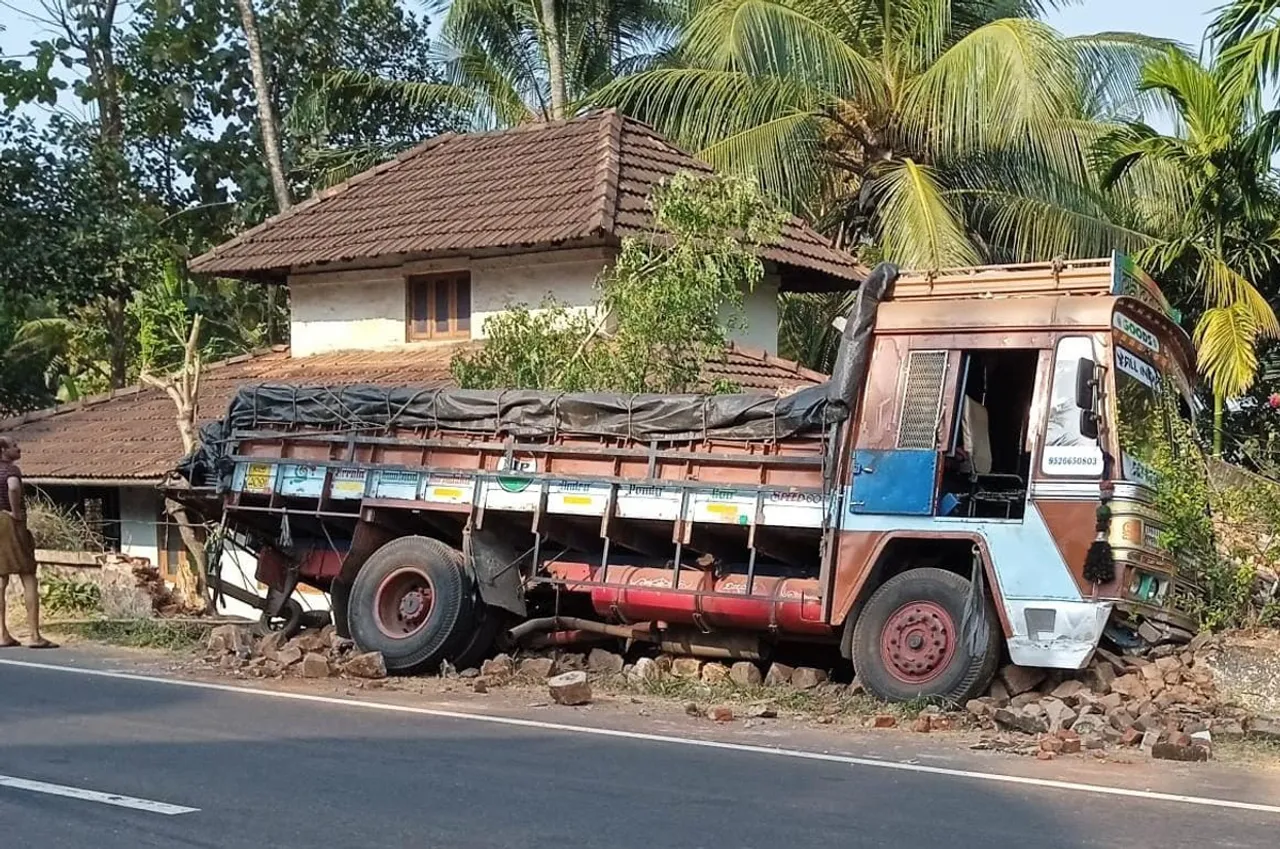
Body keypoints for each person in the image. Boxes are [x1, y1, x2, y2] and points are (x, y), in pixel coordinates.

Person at [0, 436, 56, 648]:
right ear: (4, 450)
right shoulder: (11, 470)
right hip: (9, 523)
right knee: (28, 575)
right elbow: (13, 487)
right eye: (14, 446)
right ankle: (34, 635)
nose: (18, 448)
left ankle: (2, 633)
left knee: (1, 579)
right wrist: (15, 513)